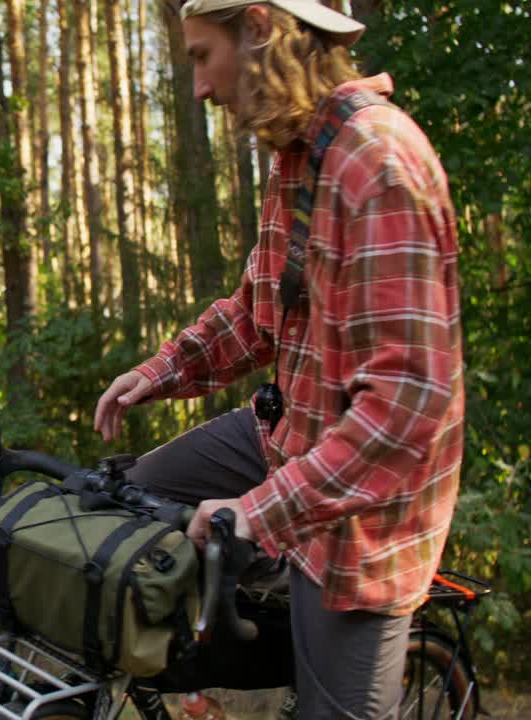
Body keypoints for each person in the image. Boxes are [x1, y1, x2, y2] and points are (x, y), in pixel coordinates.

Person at [92, 1, 463, 718]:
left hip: (366, 521)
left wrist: (259, 515)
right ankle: (202, 675)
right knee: (125, 508)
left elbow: (404, 409)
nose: (197, 86)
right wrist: (160, 371)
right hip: (286, 437)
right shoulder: (299, 159)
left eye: (202, 56)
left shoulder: (379, 165)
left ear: (260, 28)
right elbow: (257, 313)